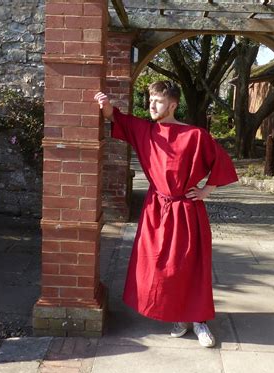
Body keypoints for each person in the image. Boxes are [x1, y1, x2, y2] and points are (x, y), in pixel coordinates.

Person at [94, 81, 238, 348]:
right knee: (162, 268)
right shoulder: (145, 131)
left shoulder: (195, 135)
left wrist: (206, 190)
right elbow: (116, 117)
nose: (151, 105)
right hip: (156, 210)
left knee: (191, 266)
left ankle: (199, 321)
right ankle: (179, 317)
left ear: (172, 105)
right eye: (150, 100)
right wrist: (105, 105)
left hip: (187, 210)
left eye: (157, 101)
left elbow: (222, 162)